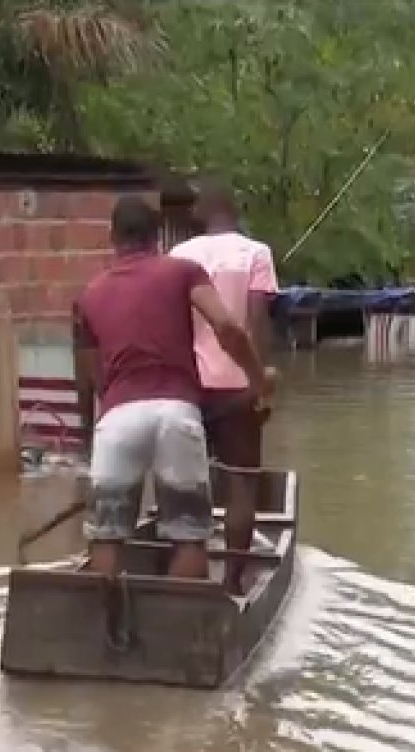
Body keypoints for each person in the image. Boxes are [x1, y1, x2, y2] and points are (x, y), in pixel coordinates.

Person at [73, 196, 271, 582]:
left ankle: (106, 617)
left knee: (106, 538)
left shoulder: (89, 294)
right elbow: (227, 328)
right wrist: (258, 377)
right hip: (176, 413)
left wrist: (90, 437)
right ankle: (185, 615)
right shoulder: (183, 272)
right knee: (188, 537)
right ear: (158, 237)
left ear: (112, 237)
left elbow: (88, 376)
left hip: (116, 419)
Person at [168, 181, 279, 594]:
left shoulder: (179, 255)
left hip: (188, 387)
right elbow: (256, 325)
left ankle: (183, 572)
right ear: (234, 211)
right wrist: (261, 383)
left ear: (202, 212)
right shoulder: (256, 253)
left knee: (183, 483)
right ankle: (233, 582)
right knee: (242, 483)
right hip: (238, 388)